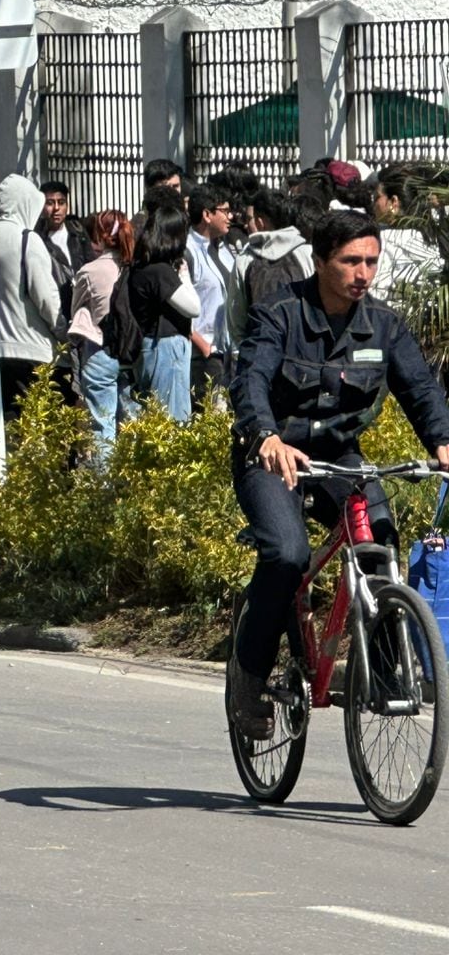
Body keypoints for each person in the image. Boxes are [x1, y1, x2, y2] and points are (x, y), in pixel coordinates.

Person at [228, 210, 449, 739]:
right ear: (321, 259)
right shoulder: (278, 316)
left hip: (336, 457)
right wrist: (265, 435)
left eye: (372, 261)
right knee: (286, 555)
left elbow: (421, 389)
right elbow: (251, 380)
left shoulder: (384, 325)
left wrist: (443, 442)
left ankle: (389, 672)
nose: (364, 273)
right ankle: (250, 678)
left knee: (380, 540)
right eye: (351, 261)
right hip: (271, 455)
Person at [0, 175, 65, 416]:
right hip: (34, 348)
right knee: (40, 428)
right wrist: (62, 331)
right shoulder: (27, 238)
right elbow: (45, 297)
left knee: (10, 427)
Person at [69, 211, 137, 461]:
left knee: (102, 426)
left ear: (99, 235)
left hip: (99, 350)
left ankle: (103, 492)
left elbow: (75, 308)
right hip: (130, 352)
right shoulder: (135, 267)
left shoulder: (90, 271)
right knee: (131, 423)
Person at [129, 204, 199, 423]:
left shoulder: (141, 267)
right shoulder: (161, 272)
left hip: (149, 348)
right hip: (166, 349)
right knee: (174, 421)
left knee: (155, 421)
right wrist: (184, 275)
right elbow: (194, 308)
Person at [225, 189, 315, 352]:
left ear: (260, 222)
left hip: (259, 357)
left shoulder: (245, 260)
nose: (246, 224)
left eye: (250, 219)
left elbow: (236, 322)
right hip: (302, 357)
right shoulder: (307, 254)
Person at [185, 181, 235, 401]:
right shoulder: (187, 252)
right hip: (204, 356)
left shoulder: (226, 249)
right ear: (207, 214)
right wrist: (204, 346)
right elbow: (177, 307)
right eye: (224, 211)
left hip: (229, 353)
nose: (230, 216)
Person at [372, 164, 443, 304]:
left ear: (393, 202)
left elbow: (374, 294)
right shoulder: (435, 235)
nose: (373, 203)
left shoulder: (384, 242)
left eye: (376, 198)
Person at [36, 180, 94, 317]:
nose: (56, 208)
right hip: (56, 308)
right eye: (50, 203)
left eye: (61, 202)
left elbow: (90, 263)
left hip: (81, 306)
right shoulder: (36, 237)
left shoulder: (78, 231)